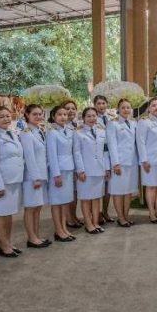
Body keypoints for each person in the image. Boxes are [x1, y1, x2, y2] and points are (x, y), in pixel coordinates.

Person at [0, 105, 25, 258]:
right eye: (1, 116)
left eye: (8, 116)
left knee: (8, 214)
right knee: (0, 214)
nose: (6, 119)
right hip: (2, 182)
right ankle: (3, 245)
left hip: (15, 180)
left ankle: (7, 243)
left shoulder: (12, 133)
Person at [73, 106, 110, 234]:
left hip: (99, 170)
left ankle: (95, 222)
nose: (91, 118)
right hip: (86, 171)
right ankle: (88, 224)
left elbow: (105, 151)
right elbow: (76, 153)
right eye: (88, 116)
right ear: (83, 118)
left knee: (96, 198)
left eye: (94, 116)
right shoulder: (78, 133)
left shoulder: (101, 131)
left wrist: (107, 168)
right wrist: (80, 170)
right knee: (86, 198)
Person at [19, 104, 51, 249]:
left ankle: (36, 236)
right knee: (31, 208)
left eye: (40, 114)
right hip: (33, 177)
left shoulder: (39, 130)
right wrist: (35, 177)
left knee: (38, 208)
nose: (38, 117)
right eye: (35, 114)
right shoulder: (26, 133)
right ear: (27, 115)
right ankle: (31, 238)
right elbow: (29, 157)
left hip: (42, 175)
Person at [106, 98, 138, 228]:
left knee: (128, 191)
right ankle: (120, 217)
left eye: (128, 107)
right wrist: (115, 163)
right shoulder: (113, 124)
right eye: (123, 107)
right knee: (118, 191)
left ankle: (126, 215)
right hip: (120, 163)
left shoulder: (134, 123)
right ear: (118, 109)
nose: (126, 110)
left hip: (132, 161)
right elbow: (112, 145)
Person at [46, 106, 76, 242]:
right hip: (58, 171)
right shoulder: (51, 132)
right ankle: (58, 230)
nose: (63, 117)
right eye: (59, 114)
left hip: (68, 169)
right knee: (57, 202)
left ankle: (64, 228)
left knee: (64, 202)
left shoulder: (69, 130)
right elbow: (51, 155)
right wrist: (56, 174)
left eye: (65, 114)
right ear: (53, 117)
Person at [137, 97, 157, 223]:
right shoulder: (144, 122)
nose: (156, 107)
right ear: (149, 108)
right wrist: (144, 160)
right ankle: (151, 212)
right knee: (151, 187)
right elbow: (141, 142)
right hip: (150, 160)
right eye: (154, 105)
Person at [60, 99, 83, 228]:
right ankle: (68, 219)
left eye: (73, 108)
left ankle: (73, 216)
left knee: (74, 193)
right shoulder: (60, 127)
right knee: (67, 194)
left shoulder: (77, 125)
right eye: (67, 108)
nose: (70, 111)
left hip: (77, 164)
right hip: (67, 165)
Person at [93, 95, 113, 223]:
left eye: (103, 103)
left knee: (108, 186)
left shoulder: (111, 119)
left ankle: (105, 211)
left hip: (109, 154)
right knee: (98, 186)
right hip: (98, 155)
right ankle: (97, 213)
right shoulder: (92, 119)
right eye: (99, 103)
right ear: (94, 105)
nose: (101, 106)